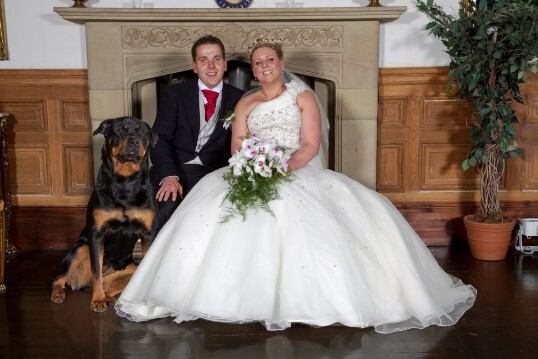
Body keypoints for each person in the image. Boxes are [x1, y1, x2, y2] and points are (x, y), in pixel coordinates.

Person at [115, 35, 477, 334]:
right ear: (252, 70)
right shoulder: (245, 101)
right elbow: (238, 145)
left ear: (280, 62)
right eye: (257, 63)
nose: (264, 66)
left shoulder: (301, 96)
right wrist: (250, 166)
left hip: (296, 170)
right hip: (250, 170)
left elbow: (311, 145)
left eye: (269, 59)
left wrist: (279, 168)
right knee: (211, 213)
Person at [150, 35, 245, 233]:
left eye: (216, 59)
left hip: (214, 173)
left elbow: (243, 143)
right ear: (194, 66)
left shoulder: (240, 99)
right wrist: (168, 176)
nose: (211, 66)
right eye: (203, 60)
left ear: (225, 64)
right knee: (167, 205)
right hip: (176, 168)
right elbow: (159, 139)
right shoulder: (175, 94)